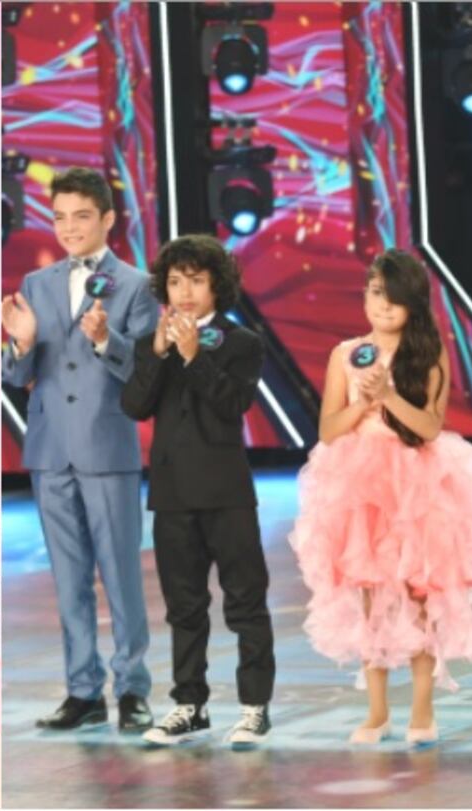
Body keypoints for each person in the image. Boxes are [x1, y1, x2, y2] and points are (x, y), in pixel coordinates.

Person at [289, 249, 472, 747]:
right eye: (375, 293)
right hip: (359, 484)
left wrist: (389, 396)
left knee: (418, 594)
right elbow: (328, 428)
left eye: (393, 297)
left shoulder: (427, 355)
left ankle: (422, 708)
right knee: (369, 595)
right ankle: (376, 712)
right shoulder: (346, 354)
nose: (382, 306)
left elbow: (430, 426)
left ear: (412, 303)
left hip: (416, 483)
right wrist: (363, 403)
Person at [1, 167, 160, 732]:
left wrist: (104, 339)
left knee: (121, 576)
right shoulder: (36, 284)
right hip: (50, 452)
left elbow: (145, 373)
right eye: (60, 217)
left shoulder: (136, 286)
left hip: (107, 447)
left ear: (108, 219)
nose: (69, 228)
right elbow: (16, 374)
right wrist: (19, 344)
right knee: (68, 581)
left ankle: (133, 689)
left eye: (82, 217)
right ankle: (83, 691)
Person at [121, 234, 275, 748]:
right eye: (175, 281)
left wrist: (194, 357)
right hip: (172, 495)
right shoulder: (153, 343)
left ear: (217, 286)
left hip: (227, 493)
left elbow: (233, 405)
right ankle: (190, 705)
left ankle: (254, 708)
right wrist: (159, 354)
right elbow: (134, 406)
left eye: (196, 281)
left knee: (245, 602)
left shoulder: (242, 342)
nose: (184, 292)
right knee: (183, 607)